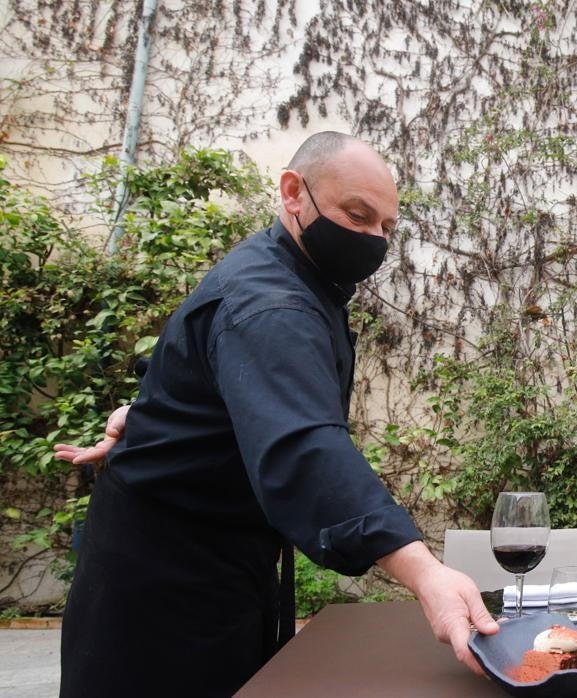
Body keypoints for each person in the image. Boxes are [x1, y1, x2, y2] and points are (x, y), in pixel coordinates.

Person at [52, 132, 498, 697]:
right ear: (293, 192)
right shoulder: (272, 302)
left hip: (227, 562)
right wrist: (425, 572)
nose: (373, 240)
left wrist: (150, 413)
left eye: (386, 228)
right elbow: (305, 449)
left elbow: (202, 371)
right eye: (357, 215)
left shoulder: (295, 278)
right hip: (164, 581)